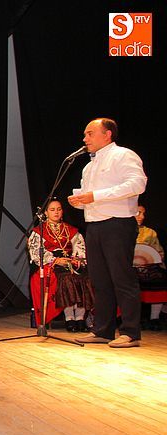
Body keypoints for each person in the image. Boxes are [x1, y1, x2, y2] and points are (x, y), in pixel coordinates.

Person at [69, 118, 148, 348]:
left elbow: (137, 184)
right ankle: (103, 330)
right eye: (85, 134)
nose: (85, 138)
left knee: (122, 278)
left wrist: (96, 196)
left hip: (118, 224)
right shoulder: (89, 166)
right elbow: (91, 197)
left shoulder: (123, 155)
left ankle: (131, 332)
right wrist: (80, 201)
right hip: (94, 225)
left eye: (90, 133)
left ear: (107, 134)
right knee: (99, 280)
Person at [27, 199, 94, 332]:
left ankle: (80, 318)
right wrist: (55, 260)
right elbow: (36, 252)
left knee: (84, 277)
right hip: (52, 264)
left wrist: (76, 259)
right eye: (52, 210)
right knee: (67, 278)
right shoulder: (39, 231)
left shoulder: (70, 230)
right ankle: (69, 318)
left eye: (59, 209)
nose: (56, 212)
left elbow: (80, 247)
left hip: (70, 262)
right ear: (46, 213)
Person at [135, 205, 166, 330]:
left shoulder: (150, 232)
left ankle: (154, 318)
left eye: (143, 213)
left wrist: (153, 260)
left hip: (148, 267)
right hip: (127, 267)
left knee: (159, 279)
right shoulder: (121, 232)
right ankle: (129, 319)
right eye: (138, 213)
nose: (142, 217)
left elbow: (159, 252)